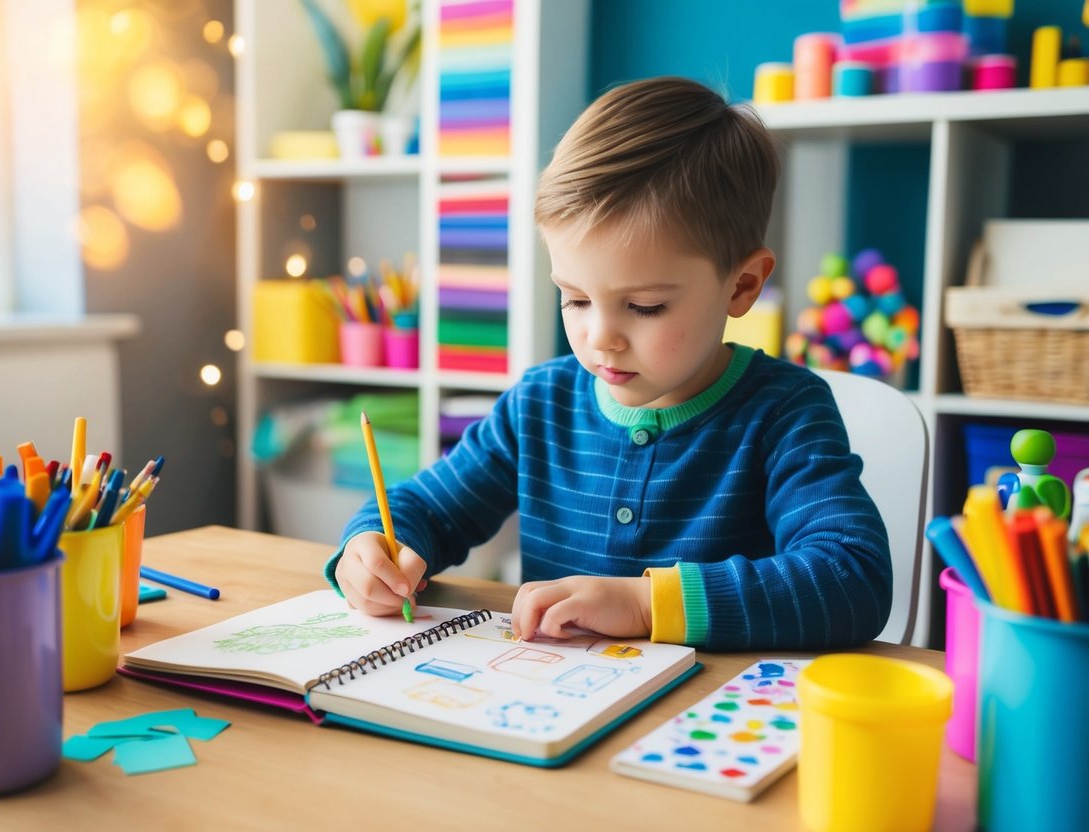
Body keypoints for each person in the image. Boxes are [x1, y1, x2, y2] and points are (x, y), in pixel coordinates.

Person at [327, 76, 891, 651]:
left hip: (705, 726)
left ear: (742, 286)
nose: (600, 338)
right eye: (574, 298)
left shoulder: (784, 411)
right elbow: (428, 507)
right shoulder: (539, 404)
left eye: (644, 306)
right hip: (549, 712)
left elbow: (853, 578)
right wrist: (371, 545)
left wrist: (645, 605)